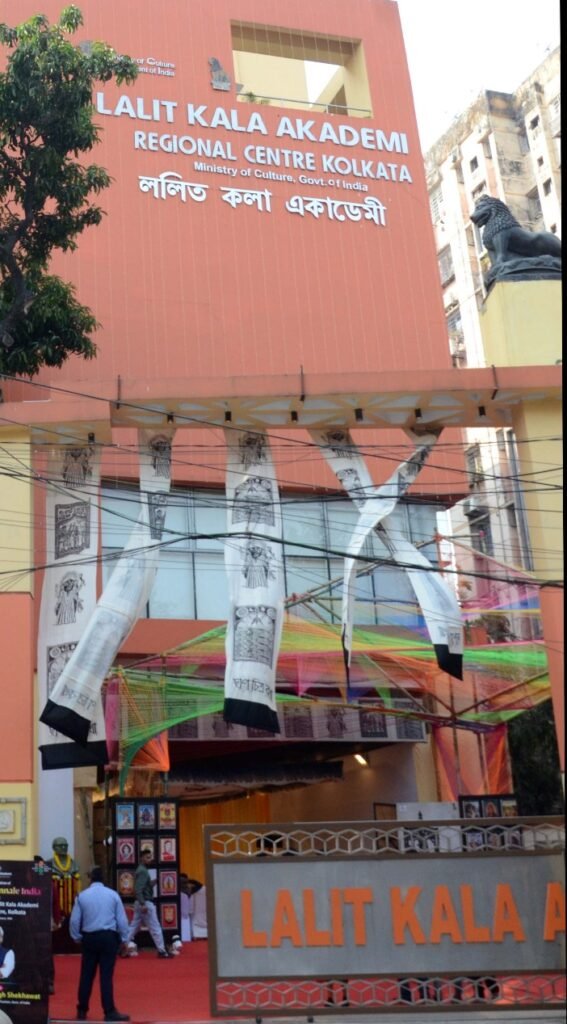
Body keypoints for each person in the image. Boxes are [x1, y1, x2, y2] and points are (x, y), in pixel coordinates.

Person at [69, 866, 130, 1022]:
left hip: (89, 938)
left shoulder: (82, 896)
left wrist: (77, 937)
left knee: (86, 975)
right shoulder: (113, 895)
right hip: (108, 937)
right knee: (106, 976)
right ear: (104, 879)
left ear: (91, 879)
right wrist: (125, 939)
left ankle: (82, 1009)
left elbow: (74, 921)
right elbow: (122, 920)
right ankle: (109, 1011)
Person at [126, 849, 172, 957]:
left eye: (150, 857)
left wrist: (153, 882)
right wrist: (143, 904)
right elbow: (138, 889)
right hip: (145, 902)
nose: (150, 859)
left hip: (141, 902)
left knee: (133, 927)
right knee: (155, 927)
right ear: (141, 858)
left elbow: (143, 887)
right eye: (147, 857)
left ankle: (121, 946)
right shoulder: (143, 871)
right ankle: (162, 951)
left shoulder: (141, 870)